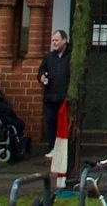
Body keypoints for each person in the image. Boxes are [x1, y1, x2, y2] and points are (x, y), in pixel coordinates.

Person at [38, 29, 70, 161]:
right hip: (50, 96)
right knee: (51, 122)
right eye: (53, 40)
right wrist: (41, 77)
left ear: (64, 40)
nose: (54, 43)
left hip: (64, 97)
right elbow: (41, 70)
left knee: (64, 124)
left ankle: (64, 150)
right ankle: (52, 148)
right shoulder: (49, 57)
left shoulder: (71, 56)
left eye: (56, 40)